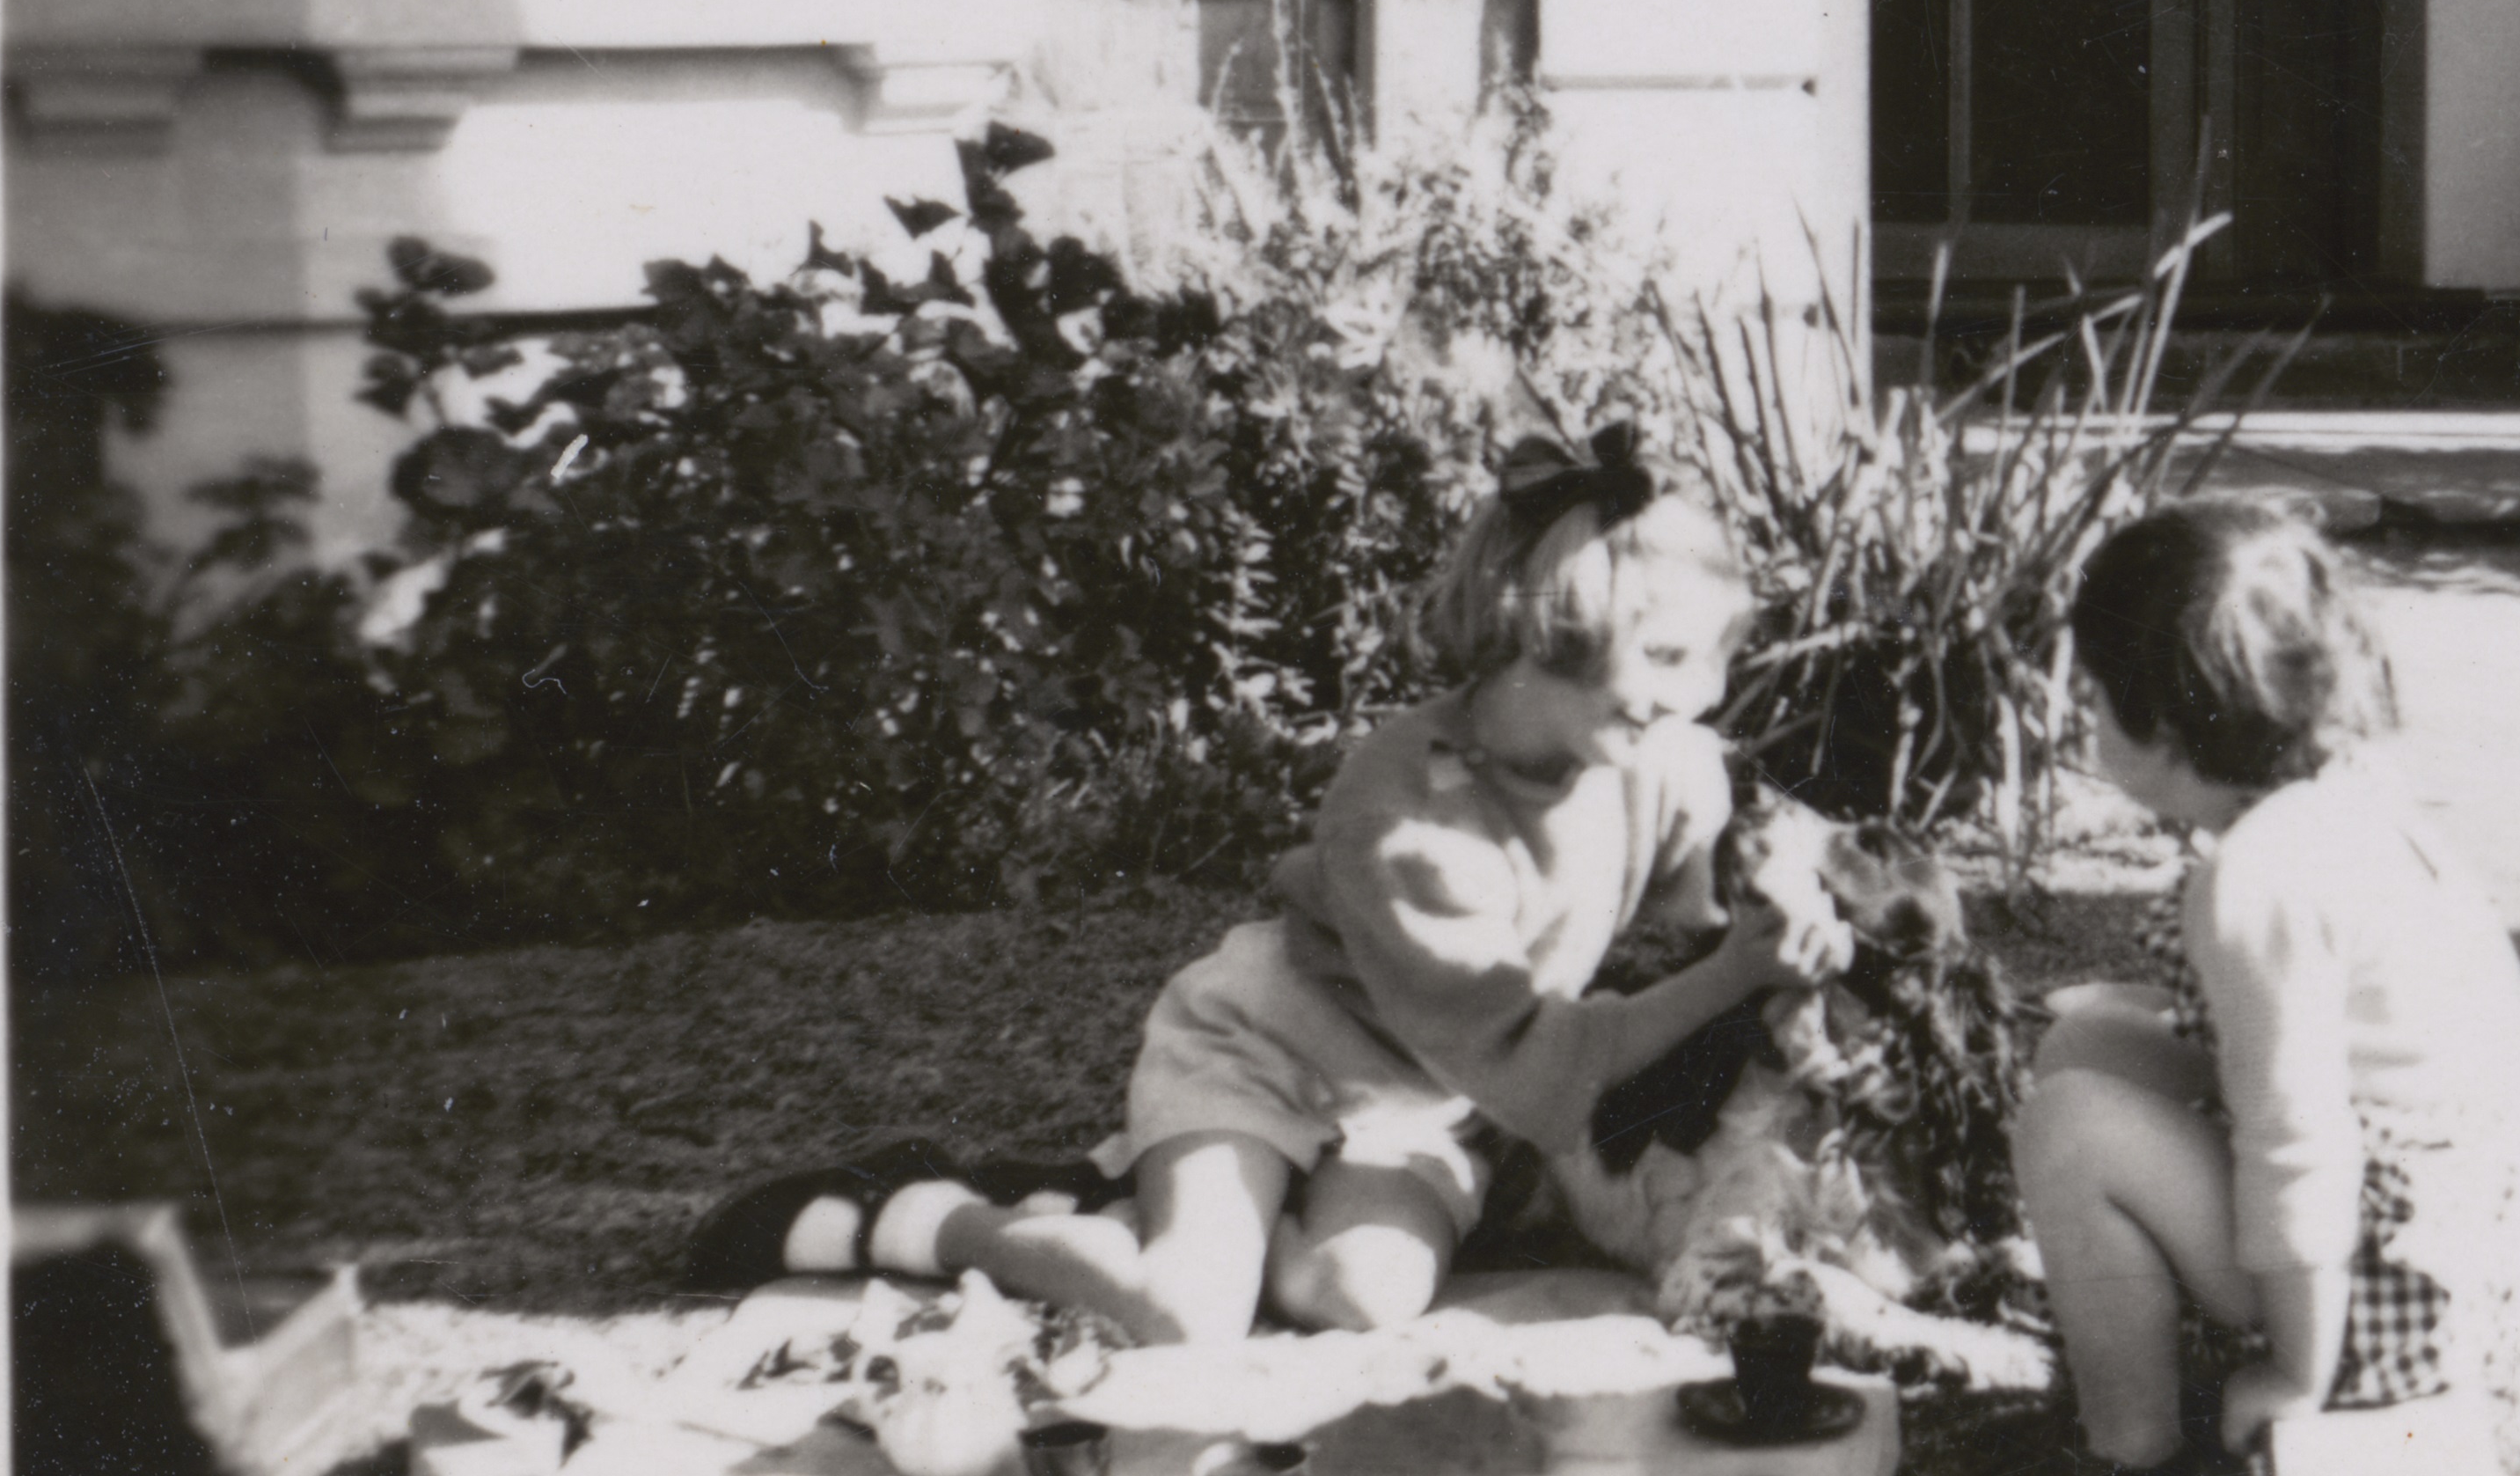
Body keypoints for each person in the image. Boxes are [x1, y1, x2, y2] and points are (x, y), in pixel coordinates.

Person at [682, 424, 1850, 1341]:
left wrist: (1783, 913)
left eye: (1714, 660)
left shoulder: (1659, 757)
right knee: (1184, 1316)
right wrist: (1734, 976)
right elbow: (1546, 1066)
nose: (1695, 697)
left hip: (1428, 1099)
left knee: (1359, 1295)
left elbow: (1701, 932)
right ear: (1563, 629)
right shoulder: (1407, 812)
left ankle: (1165, 1190)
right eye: (1666, 659)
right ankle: (926, 1213)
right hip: (1275, 1051)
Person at [1988, 501, 2520, 1476]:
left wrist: (2298, 1371)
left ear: (2158, 723)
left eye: (2095, 698)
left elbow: (2297, 1142)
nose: (2085, 721)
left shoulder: (2262, 879)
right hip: (2479, 1223)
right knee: (2087, 1041)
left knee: (2071, 1125)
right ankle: (2147, 1333)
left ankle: (2131, 1460)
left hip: (2401, 1280)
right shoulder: (2337, 794)